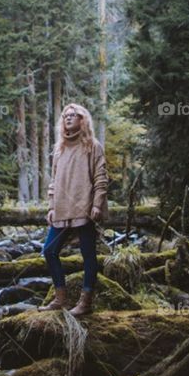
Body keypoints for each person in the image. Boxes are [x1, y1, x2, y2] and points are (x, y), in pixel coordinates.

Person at [40, 102, 108, 316]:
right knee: (49, 251)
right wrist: (51, 207)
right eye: (65, 116)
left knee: (88, 254)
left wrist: (97, 203)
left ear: (82, 119)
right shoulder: (59, 150)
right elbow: (53, 182)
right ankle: (61, 298)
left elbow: (101, 178)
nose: (68, 118)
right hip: (61, 209)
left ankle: (85, 302)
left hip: (85, 207)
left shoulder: (92, 145)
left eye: (73, 115)